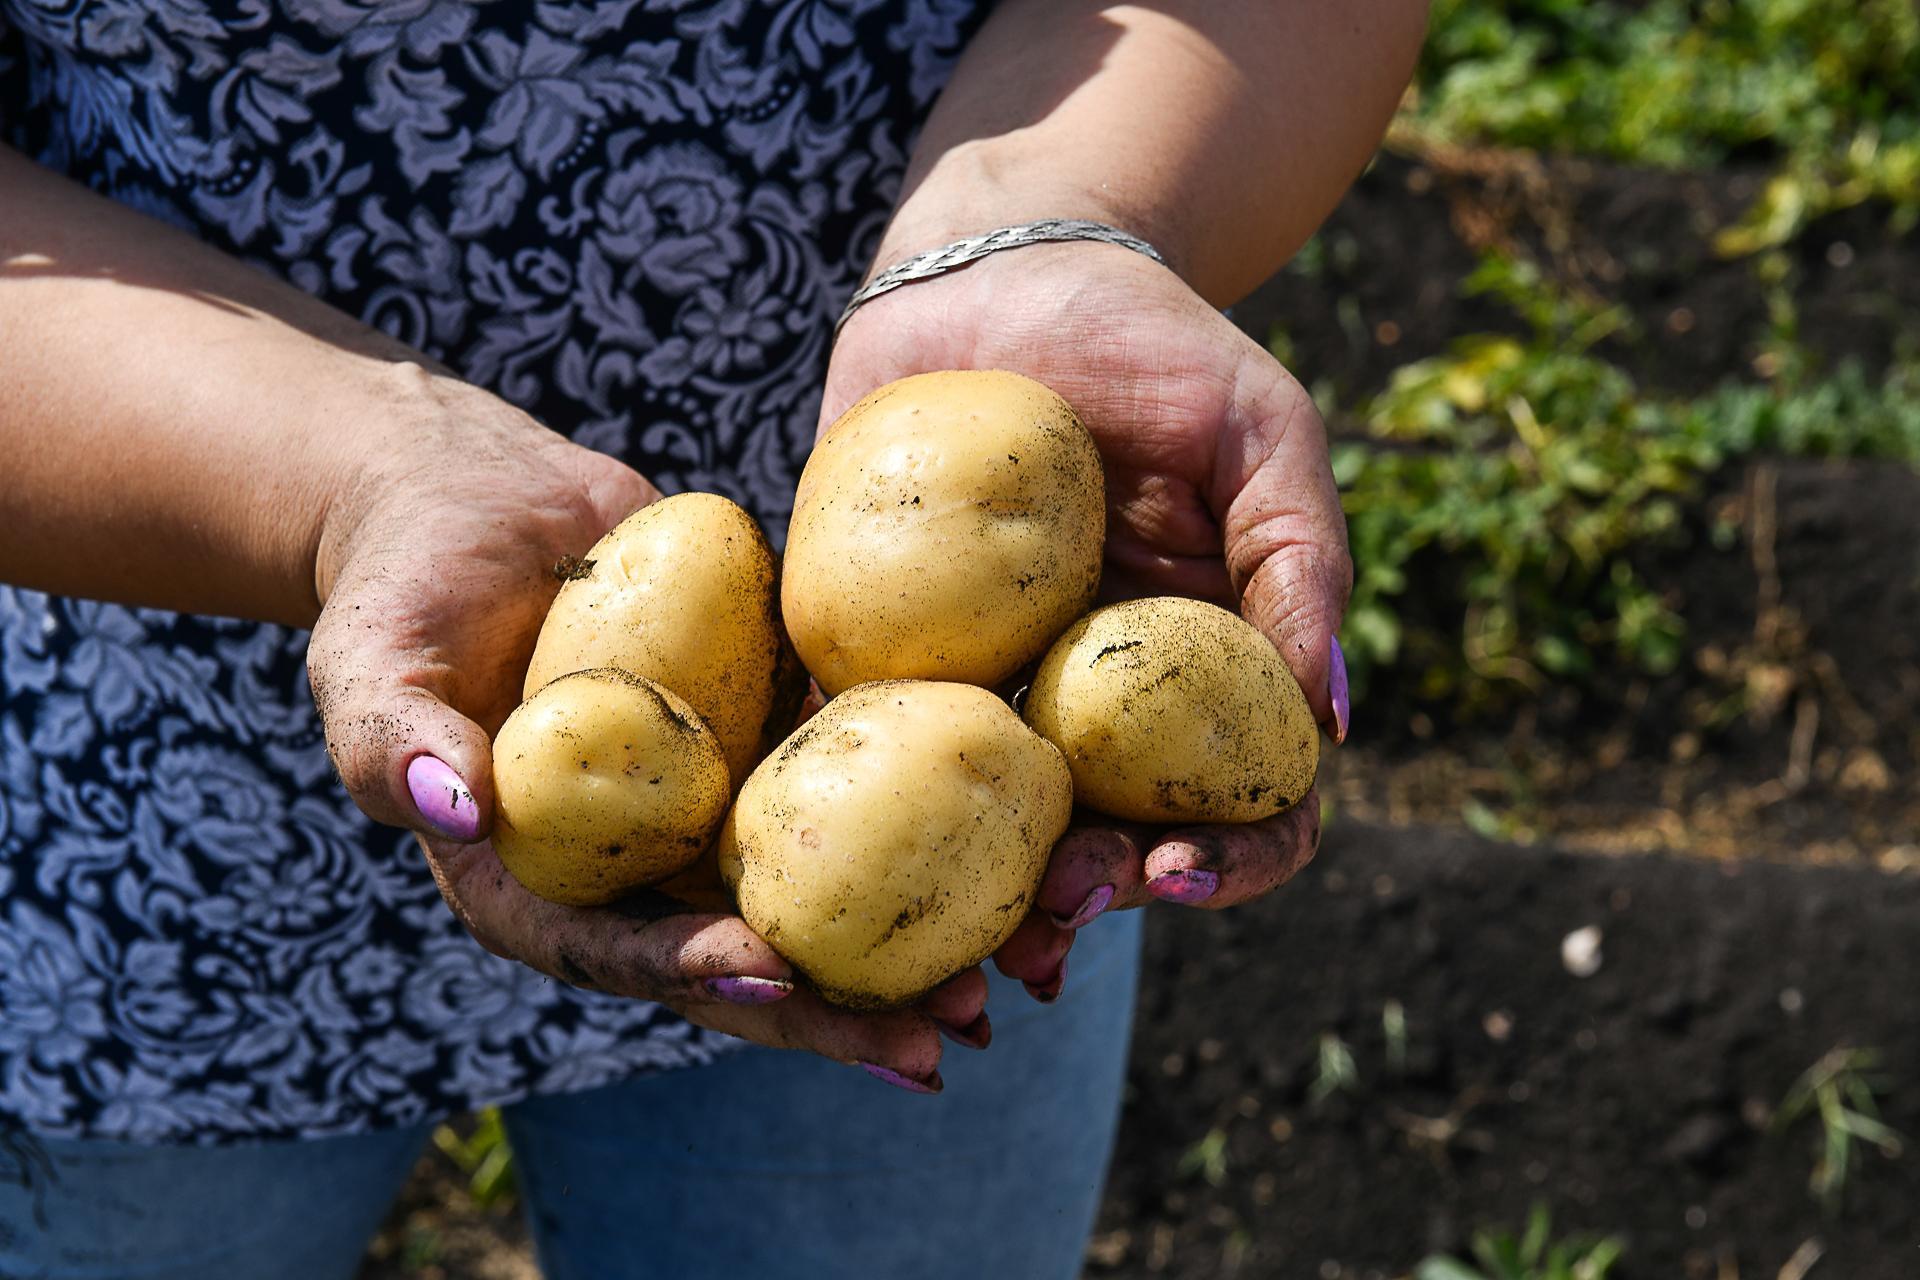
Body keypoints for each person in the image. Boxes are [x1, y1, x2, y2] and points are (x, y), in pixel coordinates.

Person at [0, 2, 1425, 1276]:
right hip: (159, 808)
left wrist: (1054, 213)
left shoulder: (1017, 738)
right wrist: (355, 479)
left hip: (947, 844)